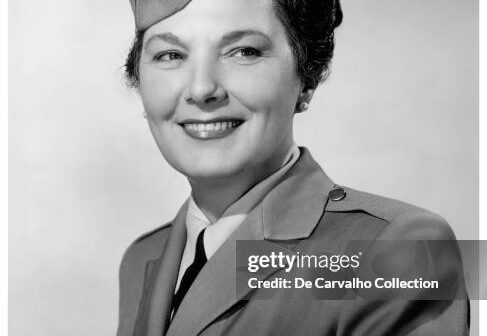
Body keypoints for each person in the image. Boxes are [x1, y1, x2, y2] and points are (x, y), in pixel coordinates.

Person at [117, 0, 469, 335]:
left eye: (245, 52)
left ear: (308, 77)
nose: (202, 89)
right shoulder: (142, 258)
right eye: (170, 55)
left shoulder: (399, 248)